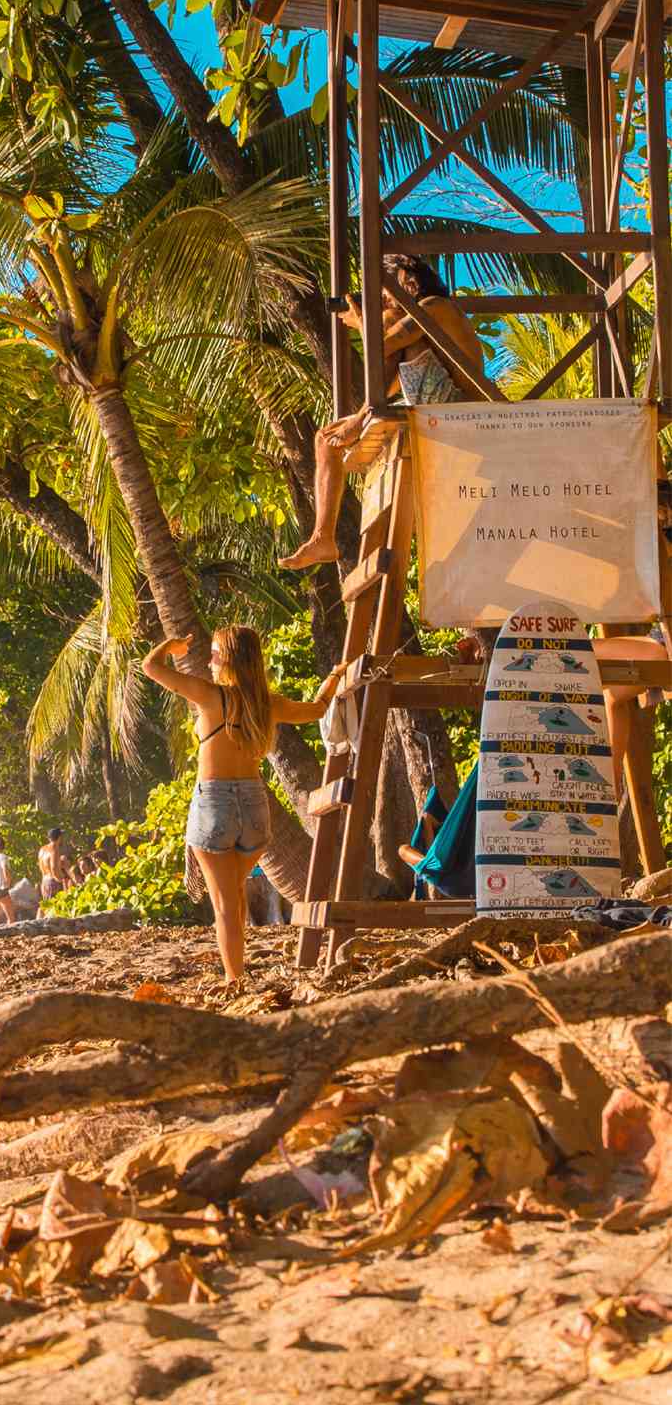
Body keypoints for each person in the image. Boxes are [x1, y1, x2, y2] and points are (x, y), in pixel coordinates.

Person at [142, 627, 344, 983]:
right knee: (234, 896)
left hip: (216, 803)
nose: (210, 659)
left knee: (225, 905)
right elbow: (318, 709)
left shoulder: (209, 696)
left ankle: (234, 980)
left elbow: (151, 667)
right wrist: (334, 676)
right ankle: (236, 973)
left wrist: (170, 646)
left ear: (231, 659)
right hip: (254, 805)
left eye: (216, 652)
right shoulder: (269, 704)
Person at [280, 253, 490, 571]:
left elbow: (384, 345)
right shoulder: (414, 329)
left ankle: (362, 416)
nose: (383, 300)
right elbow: (386, 379)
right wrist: (361, 416)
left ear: (405, 279)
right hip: (429, 400)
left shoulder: (435, 307)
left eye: (384, 292)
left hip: (460, 406)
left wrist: (362, 320)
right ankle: (322, 537)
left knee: (401, 335)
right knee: (325, 439)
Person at [37, 828, 68, 900]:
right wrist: (62, 879)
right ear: (59, 837)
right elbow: (53, 868)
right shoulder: (54, 848)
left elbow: (42, 867)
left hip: (44, 882)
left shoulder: (42, 849)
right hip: (53, 882)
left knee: (48, 908)